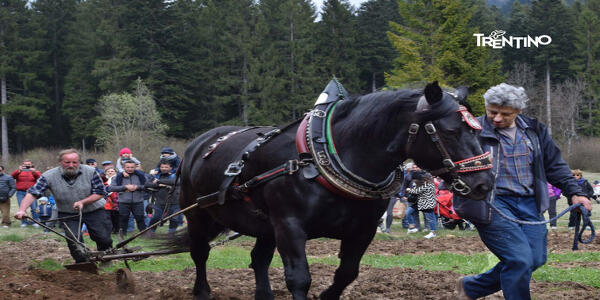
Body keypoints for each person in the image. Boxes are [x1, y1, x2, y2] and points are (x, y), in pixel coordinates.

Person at [454, 83, 592, 300]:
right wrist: (474, 164)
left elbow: (554, 165)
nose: (497, 118)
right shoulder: (472, 131)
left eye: (504, 114)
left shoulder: (535, 130)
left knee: (535, 259)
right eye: (492, 112)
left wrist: (575, 192)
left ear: (518, 111)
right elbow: (452, 167)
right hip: (491, 203)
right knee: (519, 259)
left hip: (529, 203)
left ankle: (472, 288)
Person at [13, 149, 112, 263]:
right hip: (67, 212)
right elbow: (33, 193)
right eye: (67, 162)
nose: (71, 165)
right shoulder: (48, 176)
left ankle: (106, 259)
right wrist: (21, 210)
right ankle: (83, 264)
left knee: (103, 238)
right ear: (60, 162)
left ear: (79, 162)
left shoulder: (90, 171)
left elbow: (100, 192)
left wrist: (83, 202)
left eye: (75, 162)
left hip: (95, 210)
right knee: (73, 240)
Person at [109, 160, 147, 237]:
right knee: (123, 218)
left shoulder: (141, 176)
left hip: (138, 201)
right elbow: (111, 188)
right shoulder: (118, 177)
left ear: (135, 167)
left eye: (132, 167)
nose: (130, 169)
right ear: (124, 167)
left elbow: (147, 186)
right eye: (128, 167)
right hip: (123, 201)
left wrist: (137, 187)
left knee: (140, 218)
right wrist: (125, 187)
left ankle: (143, 234)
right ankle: (122, 235)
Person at [144, 162, 182, 234]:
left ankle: (171, 234)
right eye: (162, 167)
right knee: (156, 218)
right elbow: (146, 184)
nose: (164, 169)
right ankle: (150, 232)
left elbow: (176, 182)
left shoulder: (175, 176)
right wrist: (159, 185)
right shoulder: (156, 176)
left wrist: (159, 182)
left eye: (166, 167)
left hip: (174, 202)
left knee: (174, 219)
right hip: (160, 202)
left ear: (171, 168)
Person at [405, 171, 438, 239]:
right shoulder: (420, 183)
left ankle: (433, 232)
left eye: (414, 179)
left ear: (417, 179)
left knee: (431, 218)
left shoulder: (428, 184)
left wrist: (409, 190)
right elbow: (416, 189)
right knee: (407, 213)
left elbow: (417, 191)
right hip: (419, 202)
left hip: (427, 203)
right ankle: (413, 227)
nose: (413, 181)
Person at [11, 159, 42, 227]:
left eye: (28, 164)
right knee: (22, 208)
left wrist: (34, 172)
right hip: (20, 192)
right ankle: (24, 222)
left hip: (32, 193)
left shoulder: (35, 171)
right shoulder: (19, 171)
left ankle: (35, 222)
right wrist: (18, 171)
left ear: (31, 165)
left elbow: (41, 178)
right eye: (25, 164)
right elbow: (11, 177)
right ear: (23, 165)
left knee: (34, 208)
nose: (27, 166)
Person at [103, 167, 120, 234]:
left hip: (116, 200)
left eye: (112, 171)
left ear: (115, 172)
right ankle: (111, 229)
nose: (110, 172)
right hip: (107, 201)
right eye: (108, 171)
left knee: (117, 216)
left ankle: (117, 230)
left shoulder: (118, 179)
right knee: (109, 216)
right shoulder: (104, 180)